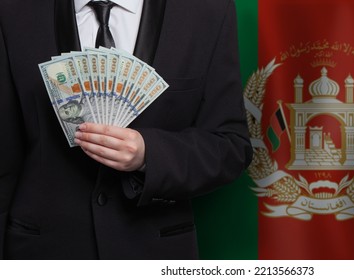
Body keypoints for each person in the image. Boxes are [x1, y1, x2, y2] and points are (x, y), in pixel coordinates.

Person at [0, 0, 252, 259]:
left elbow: (230, 147)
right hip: (42, 251)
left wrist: (149, 155)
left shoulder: (206, 10)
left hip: (154, 250)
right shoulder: (14, 10)